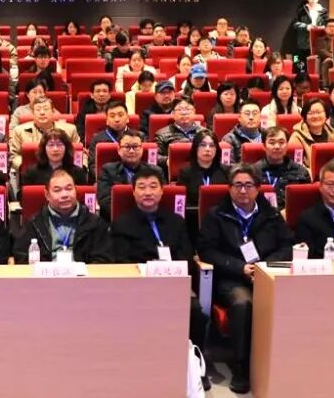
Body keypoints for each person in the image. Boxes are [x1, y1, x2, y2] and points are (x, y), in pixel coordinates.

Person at [196, 164, 293, 394]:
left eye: (248, 185)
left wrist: (262, 268)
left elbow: (287, 246)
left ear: (258, 189)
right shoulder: (217, 215)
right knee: (243, 302)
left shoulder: (271, 215)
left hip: (268, 275)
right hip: (231, 279)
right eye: (237, 185)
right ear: (229, 188)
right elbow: (207, 251)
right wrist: (240, 268)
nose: (243, 191)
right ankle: (241, 366)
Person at [110, 166, 210, 373]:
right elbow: (122, 261)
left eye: (153, 186)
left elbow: (186, 257)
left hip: (175, 285)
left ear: (162, 191)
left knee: (195, 312)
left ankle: (193, 367)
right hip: (139, 287)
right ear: (133, 191)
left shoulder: (176, 221)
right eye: (142, 187)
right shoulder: (122, 224)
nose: (148, 192)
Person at [13, 167, 113, 263]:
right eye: (57, 190)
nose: (64, 195)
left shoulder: (95, 224)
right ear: (47, 195)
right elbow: (21, 257)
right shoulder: (34, 224)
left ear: (75, 190)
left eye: (69, 189)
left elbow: (103, 259)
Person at [96, 130, 163, 220]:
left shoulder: (155, 171)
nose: (131, 151)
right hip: (118, 219)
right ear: (119, 149)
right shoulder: (108, 170)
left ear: (142, 149)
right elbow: (105, 200)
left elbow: (161, 198)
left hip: (148, 218)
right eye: (127, 147)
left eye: (135, 147)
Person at [9, 96, 82, 172]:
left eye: (46, 109)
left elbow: (79, 152)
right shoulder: (19, 131)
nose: (42, 113)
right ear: (33, 113)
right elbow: (13, 155)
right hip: (32, 173)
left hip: (63, 171)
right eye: (38, 110)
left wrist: (80, 169)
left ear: (53, 112)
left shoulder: (69, 130)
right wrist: (26, 167)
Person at [19, 128, 90, 190]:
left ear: (66, 148)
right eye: (51, 145)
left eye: (59, 144)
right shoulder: (31, 172)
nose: (55, 149)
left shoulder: (78, 172)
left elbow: (84, 195)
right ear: (44, 148)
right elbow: (24, 197)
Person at [289, 97, 334, 170]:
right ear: (305, 116)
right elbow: (296, 165)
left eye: (319, 112)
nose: (315, 116)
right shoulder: (297, 137)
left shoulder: (333, 133)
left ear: (326, 115)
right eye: (311, 113)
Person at [154, 98, 202, 167]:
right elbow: (153, 156)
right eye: (179, 109)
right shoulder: (161, 134)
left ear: (194, 112)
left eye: (187, 109)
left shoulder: (204, 132)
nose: (184, 113)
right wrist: (167, 160)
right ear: (173, 113)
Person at [86, 100, 132, 169]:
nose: (117, 119)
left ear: (128, 118)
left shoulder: (139, 137)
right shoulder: (97, 139)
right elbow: (93, 166)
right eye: (112, 116)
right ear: (107, 120)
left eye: (120, 115)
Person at [292, 0, 328, 68]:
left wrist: (322, 27)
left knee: (316, 66)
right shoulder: (301, 11)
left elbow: (328, 25)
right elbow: (295, 24)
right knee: (300, 64)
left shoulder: (324, 11)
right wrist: (306, 26)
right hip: (303, 43)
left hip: (318, 42)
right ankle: (300, 72)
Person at [221, 100, 263, 164]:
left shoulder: (267, 136)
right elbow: (226, 165)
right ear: (239, 118)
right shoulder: (228, 139)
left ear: (260, 117)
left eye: (255, 113)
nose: (251, 117)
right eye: (247, 114)